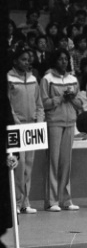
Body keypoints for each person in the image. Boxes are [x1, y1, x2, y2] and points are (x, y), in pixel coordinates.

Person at [41, 49, 83, 212]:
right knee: (53, 161)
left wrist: (71, 98)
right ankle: (51, 201)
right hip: (53, 122)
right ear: (54, 61)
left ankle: (66, 199)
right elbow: (43, 103)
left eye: (66, 59)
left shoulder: (73, 79)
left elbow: (80, 104)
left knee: (66, 162)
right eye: (60, 59)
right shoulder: (47, 79)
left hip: (70, 122)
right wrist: (60, 98)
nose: (64, 62)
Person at [8, 49, 44, 214]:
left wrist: (39, 121)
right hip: (16, 127)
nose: (27, 62)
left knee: (28, 165)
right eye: (23, 59)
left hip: (32, 128)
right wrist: (15, 121)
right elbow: (8, 104)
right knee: (18, 165)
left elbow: (39, 104)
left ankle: (25, 202)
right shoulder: (9, 78)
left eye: (28, 60)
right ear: (15, 61)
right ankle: (15, 202)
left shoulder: (33, 79)